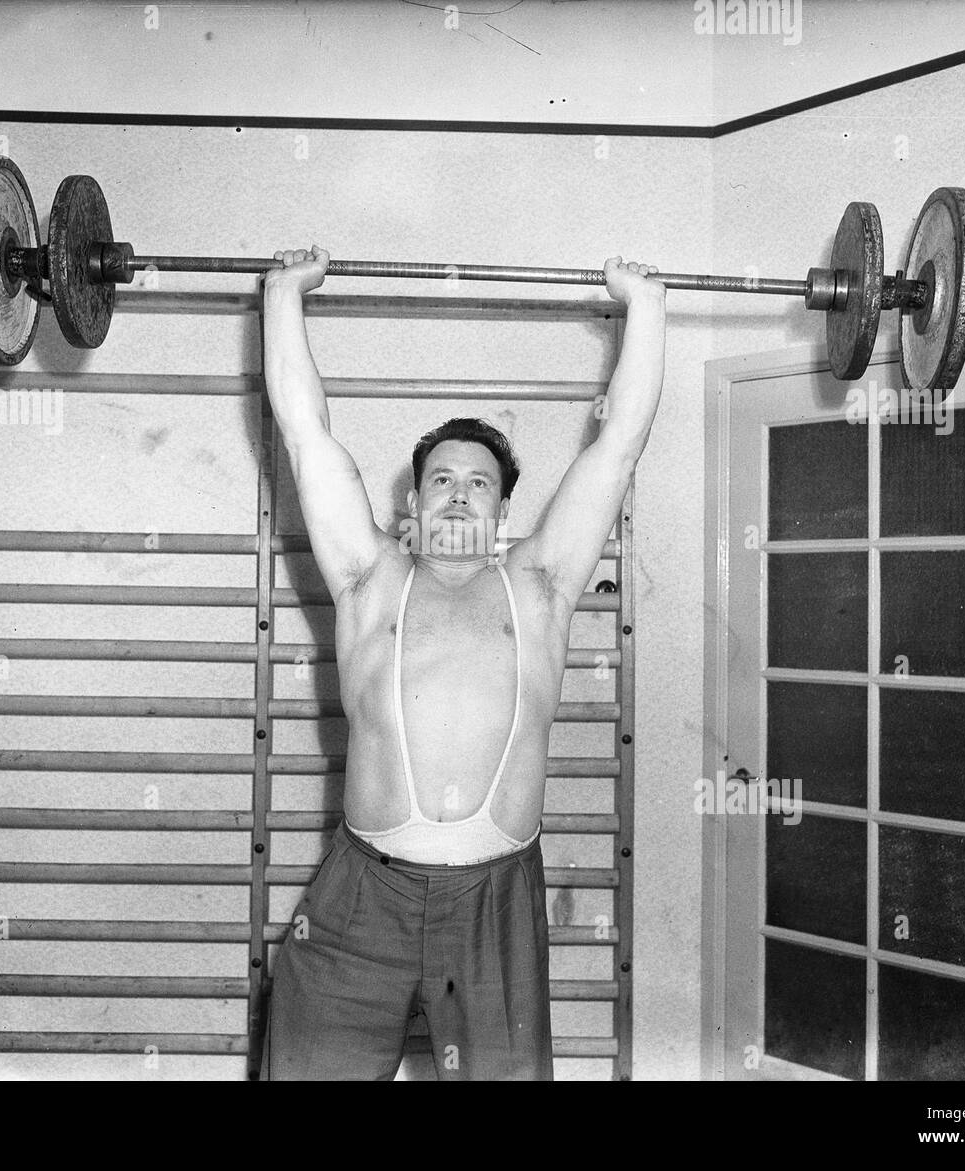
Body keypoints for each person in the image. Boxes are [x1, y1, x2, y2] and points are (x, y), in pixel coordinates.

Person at [260, 246, 666, 1080]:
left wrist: (646, 305)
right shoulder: (369, 581)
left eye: (478, 483)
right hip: (361, 896)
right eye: (439, 478)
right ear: (411, 501)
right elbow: (305, 436)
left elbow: (617, 448)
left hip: (495, 901)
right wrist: (281, 295)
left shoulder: (541, 587)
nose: (455, 492)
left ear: (505, 509)